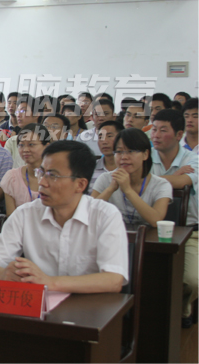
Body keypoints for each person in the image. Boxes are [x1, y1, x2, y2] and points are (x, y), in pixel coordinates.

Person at [0, 141, 129, 293]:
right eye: (41, 173)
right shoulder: (25, 214)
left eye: (53, 176)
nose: (42, 182)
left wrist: (50, 282)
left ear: (80, 185)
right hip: (37, 304)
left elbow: (114, 280)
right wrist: (4, 274)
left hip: (89, 305)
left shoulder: (105, 215)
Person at [149, 109, 198, 327]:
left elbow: (183, 182)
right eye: (154, 129)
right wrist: (172, 177)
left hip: (189, 231)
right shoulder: (146, 156)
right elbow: (136, 181)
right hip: (150, 228)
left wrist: (156, 179)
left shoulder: (193, 159)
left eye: (163, 130)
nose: (156, 135)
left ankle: (182, 311)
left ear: (179, 135)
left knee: (192, 281)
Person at [92, 128, 171, 227]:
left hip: (147, 236)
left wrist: (128, 190)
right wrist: (110, 189)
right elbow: (89, 214)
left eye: (130, 151)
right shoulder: (105, 179)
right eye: (119, 151)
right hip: (112, 235)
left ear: (145, 154)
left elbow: (156, 221)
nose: (124, 157)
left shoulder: (161, 185)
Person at [1, 124, 51, 216]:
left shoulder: (56, 177)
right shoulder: (12, 177)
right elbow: (11, 217)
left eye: (31, 144)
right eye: (21, 145)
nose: (25, 150)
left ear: (46, 146)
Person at [4, 96, 39, 167]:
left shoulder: (44, 140)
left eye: (23, 111)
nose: (18, 115)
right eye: (17, 111)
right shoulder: (12, 142)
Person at [90, 120, 124, 191]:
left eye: (109, 136)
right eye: (100, 137)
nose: (104, 141)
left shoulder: (129, 168)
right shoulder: (90, 168)